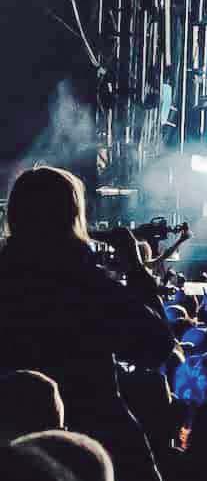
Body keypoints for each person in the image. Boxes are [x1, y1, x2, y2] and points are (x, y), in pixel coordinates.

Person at [0, 167, 173, 481]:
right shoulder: (86, 286)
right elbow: (156, 346)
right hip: (96, 434)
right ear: (73, 216)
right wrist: (136, 270)